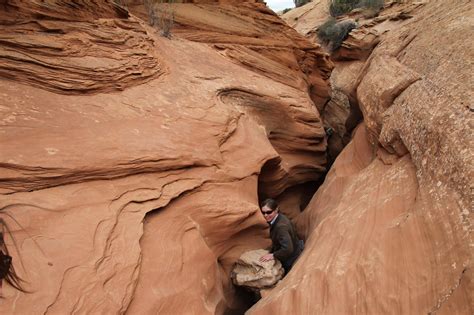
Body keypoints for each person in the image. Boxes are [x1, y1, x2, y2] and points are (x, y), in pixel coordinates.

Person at [259, 198, 303, 273]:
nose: (265, 215)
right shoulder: (279, 218)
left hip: (291, 258)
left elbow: (288, 249)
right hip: (295, 248)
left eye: (269, 212)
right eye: (263, 212)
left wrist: (273, 255)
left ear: (276, 210)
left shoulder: (281, 227)